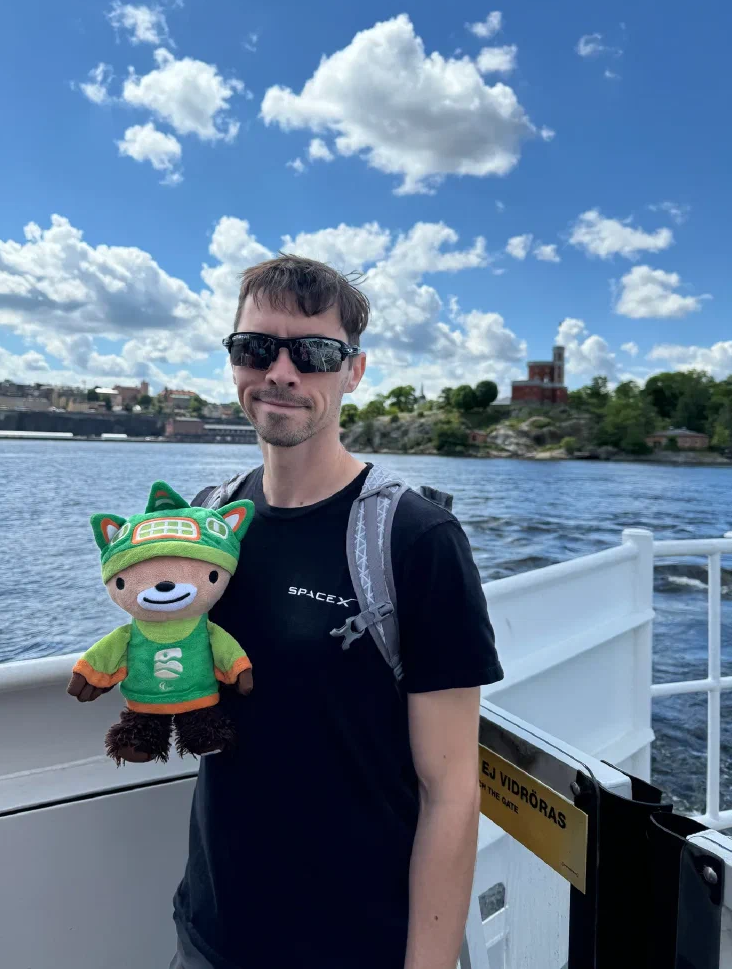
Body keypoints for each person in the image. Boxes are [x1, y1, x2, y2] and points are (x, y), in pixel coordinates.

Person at [171, 254, 504, 969]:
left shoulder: (417, 541)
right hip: (212, 933)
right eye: (257, 347)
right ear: (234, 359)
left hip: (361, 945)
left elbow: (451, 790)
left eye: (315, 352)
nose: (282, 372)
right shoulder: (207, 520)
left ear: (353, 370)